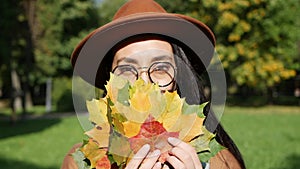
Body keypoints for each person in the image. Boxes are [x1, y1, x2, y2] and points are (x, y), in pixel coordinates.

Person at [62, 0, 246, 168]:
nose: (144, 83)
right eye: (126, 70)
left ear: (179, 77)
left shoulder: (220, 162)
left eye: (160, 68)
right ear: (110, 85)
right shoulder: (82, 161)